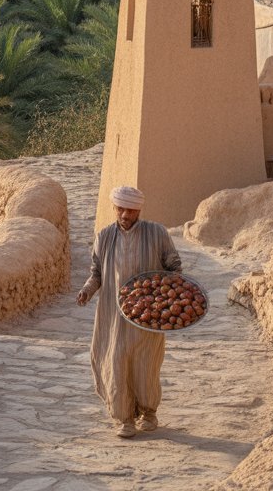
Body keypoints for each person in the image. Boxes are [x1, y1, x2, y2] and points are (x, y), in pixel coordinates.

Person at [76, 185, 182, 438]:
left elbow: (174, 266)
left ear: (139, 210)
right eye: (121, 209)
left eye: (131, 210)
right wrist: (87, 291)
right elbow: (97, 274)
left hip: (148, 314)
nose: (125, 214)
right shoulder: (104, 237)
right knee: (116, 361)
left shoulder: (156, 233)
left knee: (145, 364)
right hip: (114, 314)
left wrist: (166, 293)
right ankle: (123, 418)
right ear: (115, 208)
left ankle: (148, 412)